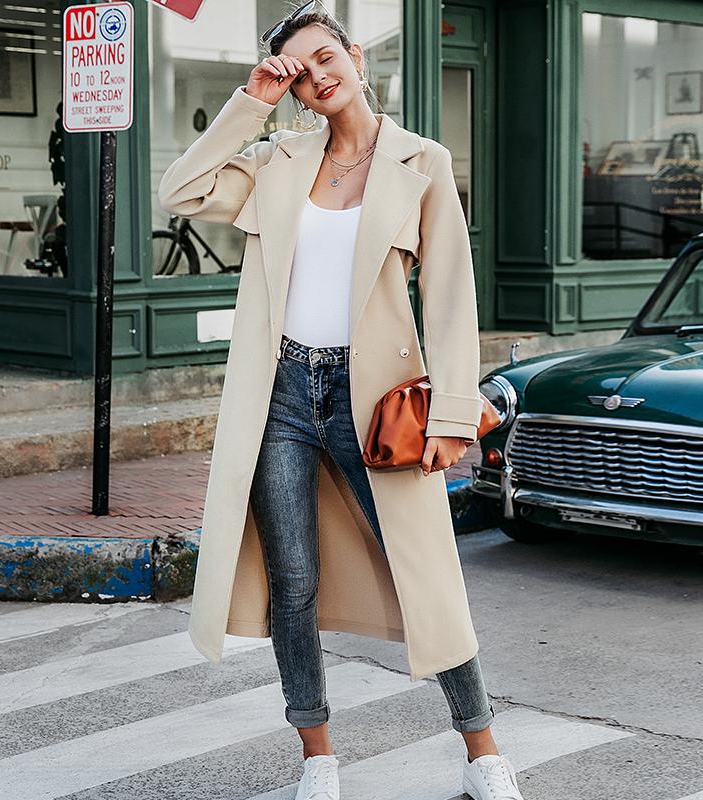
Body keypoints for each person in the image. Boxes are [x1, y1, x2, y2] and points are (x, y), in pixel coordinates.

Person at [159, 3, 524, 799]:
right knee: (294, 581)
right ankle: (317, 759)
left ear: (355, 56)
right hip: (283, 393)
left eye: (326, 58)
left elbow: (454, 297)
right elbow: (179, 191)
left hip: (376, 399)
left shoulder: (422, 161)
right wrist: (253, 99)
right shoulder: (278, 158)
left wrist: (454, 415)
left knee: (425, 574)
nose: (320, 77)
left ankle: (483, 754)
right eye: (300, 72)